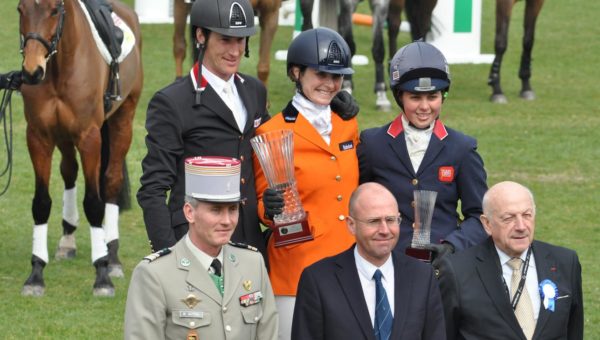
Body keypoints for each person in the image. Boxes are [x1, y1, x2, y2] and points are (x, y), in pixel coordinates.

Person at [137, 0, 359, 261]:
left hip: (248, 242)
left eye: (241, 40)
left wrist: (331, 105)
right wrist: (167, 254)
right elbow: (152, 188)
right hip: (194, 240)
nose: (234, 51)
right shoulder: (172, 101)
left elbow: (275, 140)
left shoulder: (254, 91)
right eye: (225, 40)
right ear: (201, 35)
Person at [253, 27, 360, 339]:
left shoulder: (347, 124)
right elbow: (263, 203)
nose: (329, 84)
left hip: (350, 265)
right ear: (296, 73)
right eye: (321, 74)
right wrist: (269, 208)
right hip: (298, 270)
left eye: (337, 76)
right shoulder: (272, 132)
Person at [357, 40, 488, 265]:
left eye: (433, 97)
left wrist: (451, 246)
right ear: (400, 97)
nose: (425, 107)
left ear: (443, 96)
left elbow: (479, 217)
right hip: (388, 263)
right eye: (415, 97)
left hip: (443, 268)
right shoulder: (372, 144)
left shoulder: (462, 148)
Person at [125, 156, 278, 340]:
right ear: (190, 212)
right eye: (216, 210)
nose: (227, 221)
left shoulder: (253, 263)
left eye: (232, 209)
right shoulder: (154, 274)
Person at [292, 182, 446, 340]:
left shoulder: (422, 276)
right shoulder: (318, 280)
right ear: (351, 225)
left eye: (391, 220)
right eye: (374, 221)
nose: (385, 230)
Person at [437, 181, 584, 340]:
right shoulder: (457, 270)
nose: (521, 226)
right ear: (487, 224)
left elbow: (574, 331)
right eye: (509, 218)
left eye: (527, 215)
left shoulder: (565, 262)